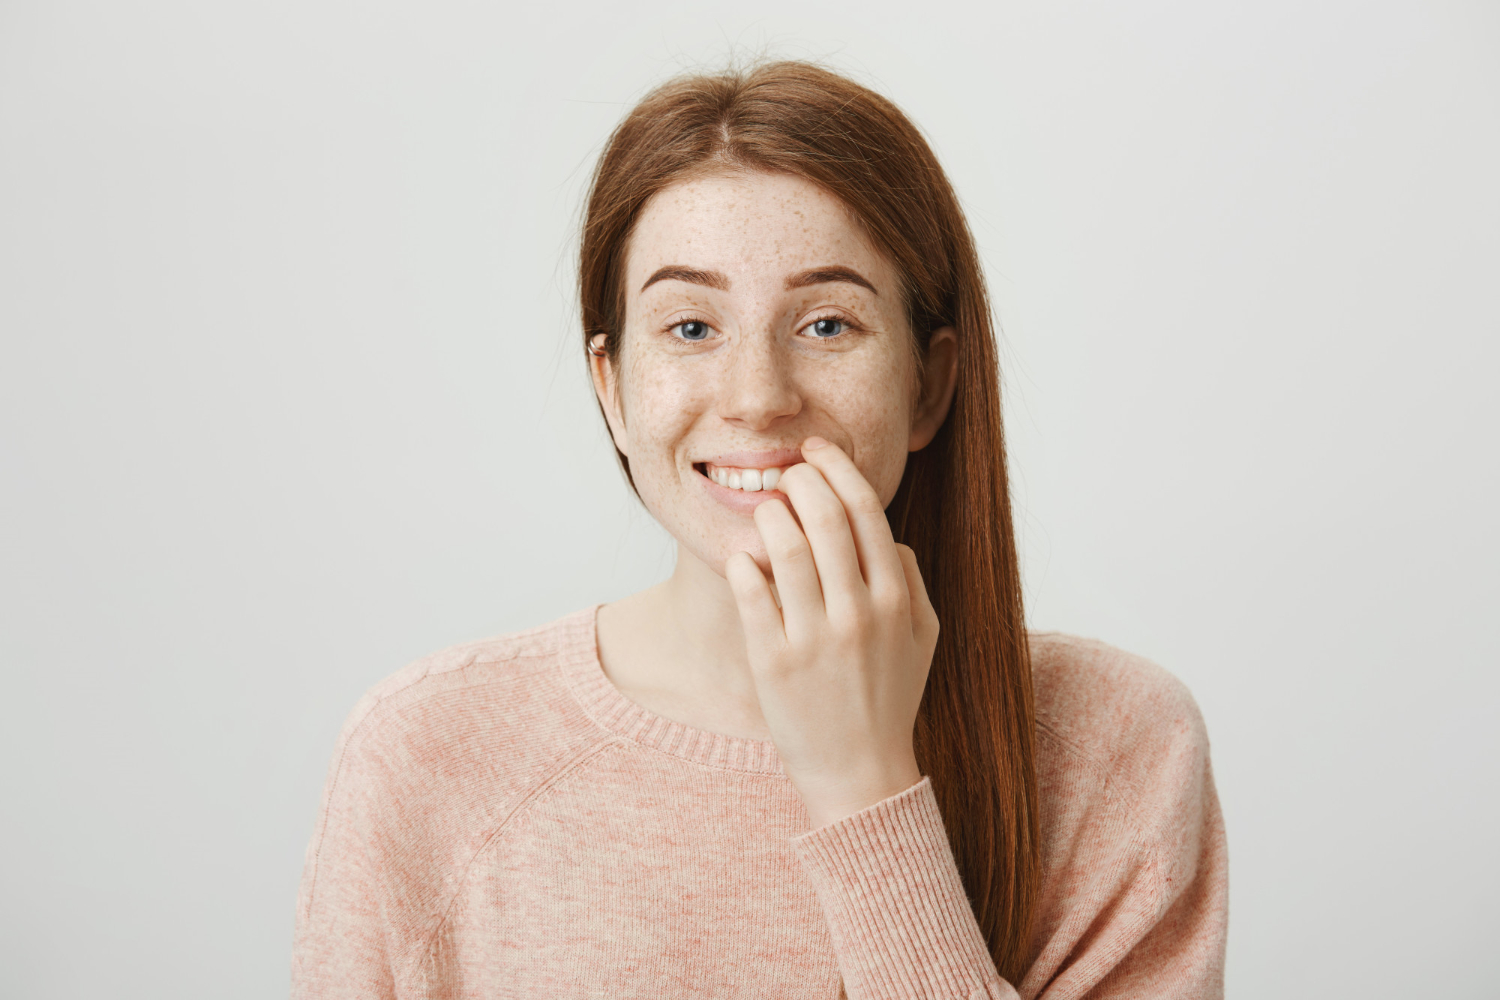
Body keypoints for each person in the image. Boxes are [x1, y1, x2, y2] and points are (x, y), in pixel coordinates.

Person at [291, 61, 1228, 999]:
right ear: (613, 391)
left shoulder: (1118, 749)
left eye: (826, 324)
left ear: (928, 386)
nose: (756, 401)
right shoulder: (423, 756)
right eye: (691, 328)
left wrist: (862, 782)